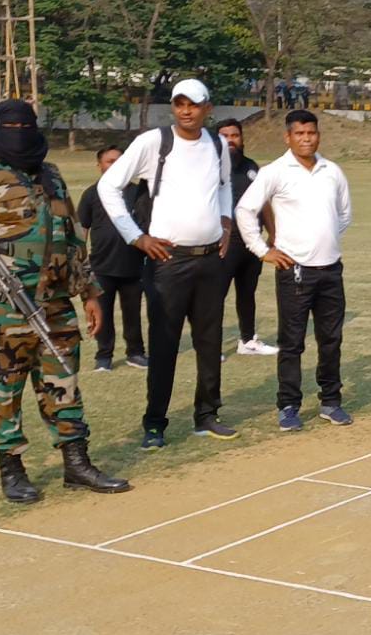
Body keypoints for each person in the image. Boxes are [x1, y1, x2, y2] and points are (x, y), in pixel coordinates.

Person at [0, 99, 130, 501]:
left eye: (26, 125)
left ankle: (76, 463)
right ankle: (12, 470)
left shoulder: (51, 175)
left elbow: (74, 238)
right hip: (3, 305)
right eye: (11, 126)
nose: (19, 132)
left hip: (56, 301)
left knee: (63, 382)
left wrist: (91, 293)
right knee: (5, 387)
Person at [97, 79, 237, 450]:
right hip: (167, 262)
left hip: (209, 259)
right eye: (179, 104)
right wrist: (135, 236)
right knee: (164, 344)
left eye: (194, 104)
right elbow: (109, 186)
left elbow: (224, 186)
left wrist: (225, 221)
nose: (186, 111)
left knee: (210, 342)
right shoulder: (153, 142)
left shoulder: (217, 144)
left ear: (208, 108)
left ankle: (207, 415)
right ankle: (155, 423)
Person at [236, 108, 353, 431]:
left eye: (311, 133)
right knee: (293, 342)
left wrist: (323, 241)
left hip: (331, 270)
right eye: (299, 133)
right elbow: (245, 210)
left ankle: (331, 401)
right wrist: (263, 250)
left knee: (331, 339)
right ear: (288, 137)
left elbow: (343, 215)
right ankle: (288, 405)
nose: (306, 139)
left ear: (318, 135)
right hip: (295, 272)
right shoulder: (276, 171)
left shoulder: (332, 171)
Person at [77, 145, 149, 372]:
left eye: (119, 161)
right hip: (102, 266)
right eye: (109, 161)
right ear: (99, 165)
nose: (115, 165)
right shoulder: (91, 193)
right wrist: (80, 261)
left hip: (133, 265)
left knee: (133, 313)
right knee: (102, 313)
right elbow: (83, 229)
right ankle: (104, 355)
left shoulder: (138, 193)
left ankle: (135, 353)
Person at [217, 118, 278, 357]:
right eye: (225, 136)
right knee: (216, 295)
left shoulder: (252, 168)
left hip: (252, 243)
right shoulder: (210, 167)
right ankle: (213, 346)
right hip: (223, 244)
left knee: (247, 293)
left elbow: (264, 204)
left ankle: (248, 340)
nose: (230, 140)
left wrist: (273, 233)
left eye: (235, 135)